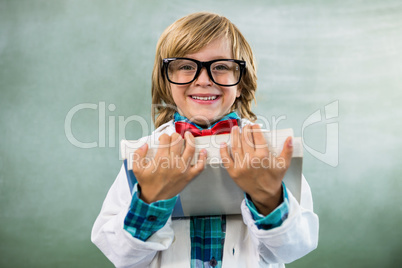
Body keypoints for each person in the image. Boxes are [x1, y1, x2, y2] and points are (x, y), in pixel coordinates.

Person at [91, 12, 319, 268]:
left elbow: (295, 246)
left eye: (221, 66)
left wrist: (267, 198)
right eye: (186, 66)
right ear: (167, 81)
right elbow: (119, 254)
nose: (203, 80)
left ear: (240, 83)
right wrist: (149, 201)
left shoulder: (267, 153)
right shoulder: (145, 156)